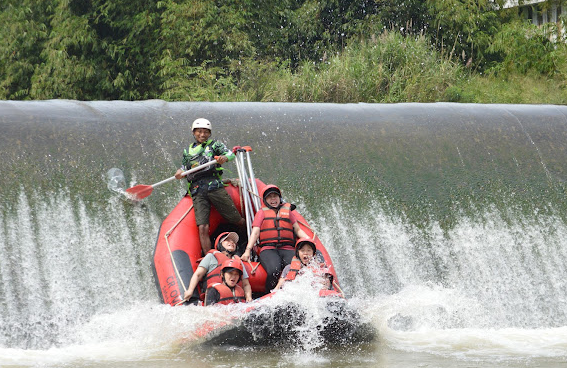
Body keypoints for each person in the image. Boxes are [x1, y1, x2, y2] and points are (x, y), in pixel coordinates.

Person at [175, 118, 245, 254]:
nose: (202, 135)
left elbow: (230, 154)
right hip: (197, 191)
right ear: (194, 133)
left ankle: (246, 242)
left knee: (236, 220)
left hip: (214, 186)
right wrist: (179, 173)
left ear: (209, 133)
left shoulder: (214, 145)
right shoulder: (187, 151)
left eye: (206, 132)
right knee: (202, 227)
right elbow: (183, 168)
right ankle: (211, 257)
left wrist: (224, 158)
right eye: (199, 132)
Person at [241, 185, 309, 292]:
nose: (273, 199)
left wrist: (309, 240)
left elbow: (298, 230)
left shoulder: (288, 212)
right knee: (274, 270)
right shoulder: (261, 213)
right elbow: (255, 233)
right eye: (270, 197)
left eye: (275, 196)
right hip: (268, 248)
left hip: (287, 248)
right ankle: (270, 293)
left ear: (279, 198)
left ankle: (294, 292)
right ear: (265, 200)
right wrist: (247, 251)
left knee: (295, 268)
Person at [183, 232, 252, 304]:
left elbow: (245, 284)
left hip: (234, 302)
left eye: (233, 241)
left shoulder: (238, 262)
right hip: (213, 299)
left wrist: (249, 298)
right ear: (220, 244)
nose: (232, 242)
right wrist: (190, 291)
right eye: (227, 240)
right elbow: (198, 275)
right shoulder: (211, 257)